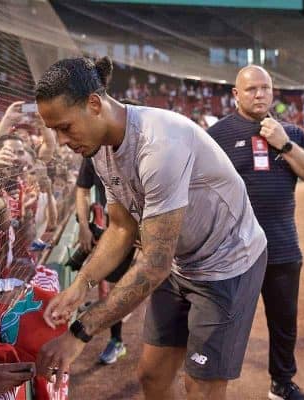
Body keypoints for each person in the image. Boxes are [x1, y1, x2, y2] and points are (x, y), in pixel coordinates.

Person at [34, 56, 267, 400]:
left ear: (94, 104)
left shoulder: (159, 144)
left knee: (200, 388)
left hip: (226, 265)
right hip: (180, 262)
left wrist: (79, 334)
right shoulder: (98, 147)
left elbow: (153, 264)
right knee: (152, 376)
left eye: (65, 127)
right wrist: (81, 285)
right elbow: (121, 228)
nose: (62, 140)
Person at [208, 65, 304, 400]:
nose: (259, 95)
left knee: (284, 322)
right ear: (235, 94)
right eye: (251, 89)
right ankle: (212, 385)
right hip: (233, 251)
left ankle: (281, 383)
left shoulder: (290, 131)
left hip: (282, 246)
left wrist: (285, 144)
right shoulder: (217, 135)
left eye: (265, 88)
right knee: (223, 323)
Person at [74, 156, 136, 365]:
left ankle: (117, 340)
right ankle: (113, 329)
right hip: (109, 229)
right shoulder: (92, 152)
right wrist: (83, 225)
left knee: (125, 288)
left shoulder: (138, 148)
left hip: (138, 230)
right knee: (107, 282)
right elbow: (82, 189)